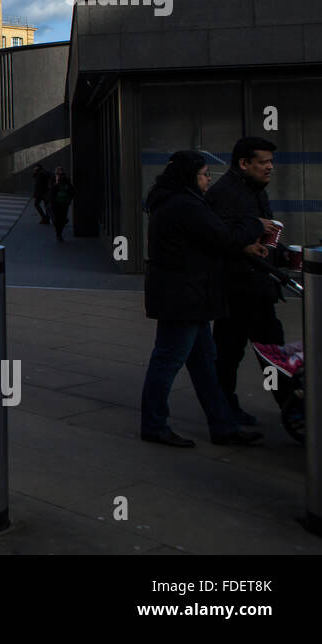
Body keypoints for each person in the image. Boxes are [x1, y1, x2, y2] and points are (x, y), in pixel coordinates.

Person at [139, 150, 267, 447]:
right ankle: (154, 425)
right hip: (184, 298)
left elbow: (212, 239)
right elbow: (224, 238)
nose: (209, 180)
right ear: (190, 176)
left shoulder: (174, 201)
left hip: (188, 297)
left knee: (204, 364)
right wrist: (256, 224)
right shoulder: (185, 205)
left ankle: (222, 425)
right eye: (205, 174)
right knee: (168, 360)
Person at [207, 137, 286, 425]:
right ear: (244, 163)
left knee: (263, 350)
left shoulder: (255, 191)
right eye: (263, 162)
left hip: (257, 284)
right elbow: (218, 239)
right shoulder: (225, 194)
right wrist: (245, 246)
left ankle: (288, 403)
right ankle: (225, 408)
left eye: (270, 162)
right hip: (239, 288)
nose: (270, 167)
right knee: (236, 352)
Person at [49, 166, 75, 241]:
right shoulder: (53, 180)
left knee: (63, 218)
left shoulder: (67, 180)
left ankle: (59, 232)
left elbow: (72, 190)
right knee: (57, 219)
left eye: (61, 174)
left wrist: (69, 196)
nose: (60, 176)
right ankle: (58, 234)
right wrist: (56, 183)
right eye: (58, 173)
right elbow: (51, 189)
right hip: (56, 202)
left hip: (64, 202)